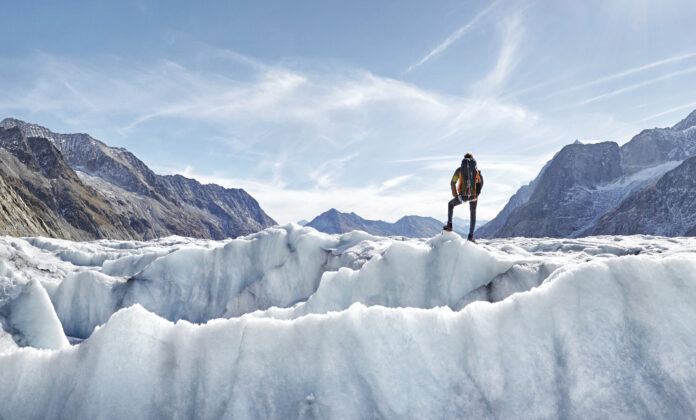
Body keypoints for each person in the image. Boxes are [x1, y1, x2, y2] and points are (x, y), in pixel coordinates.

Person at [443, 153, 483, 242]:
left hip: (463, 197)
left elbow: (453, 182)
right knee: (473, 214)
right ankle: (470, 236)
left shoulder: (459, 170)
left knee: (450, 204)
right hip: (473, 196)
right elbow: (481, 181)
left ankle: (449, 225)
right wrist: (477, 193)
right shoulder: (476, 170)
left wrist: (456, 195)